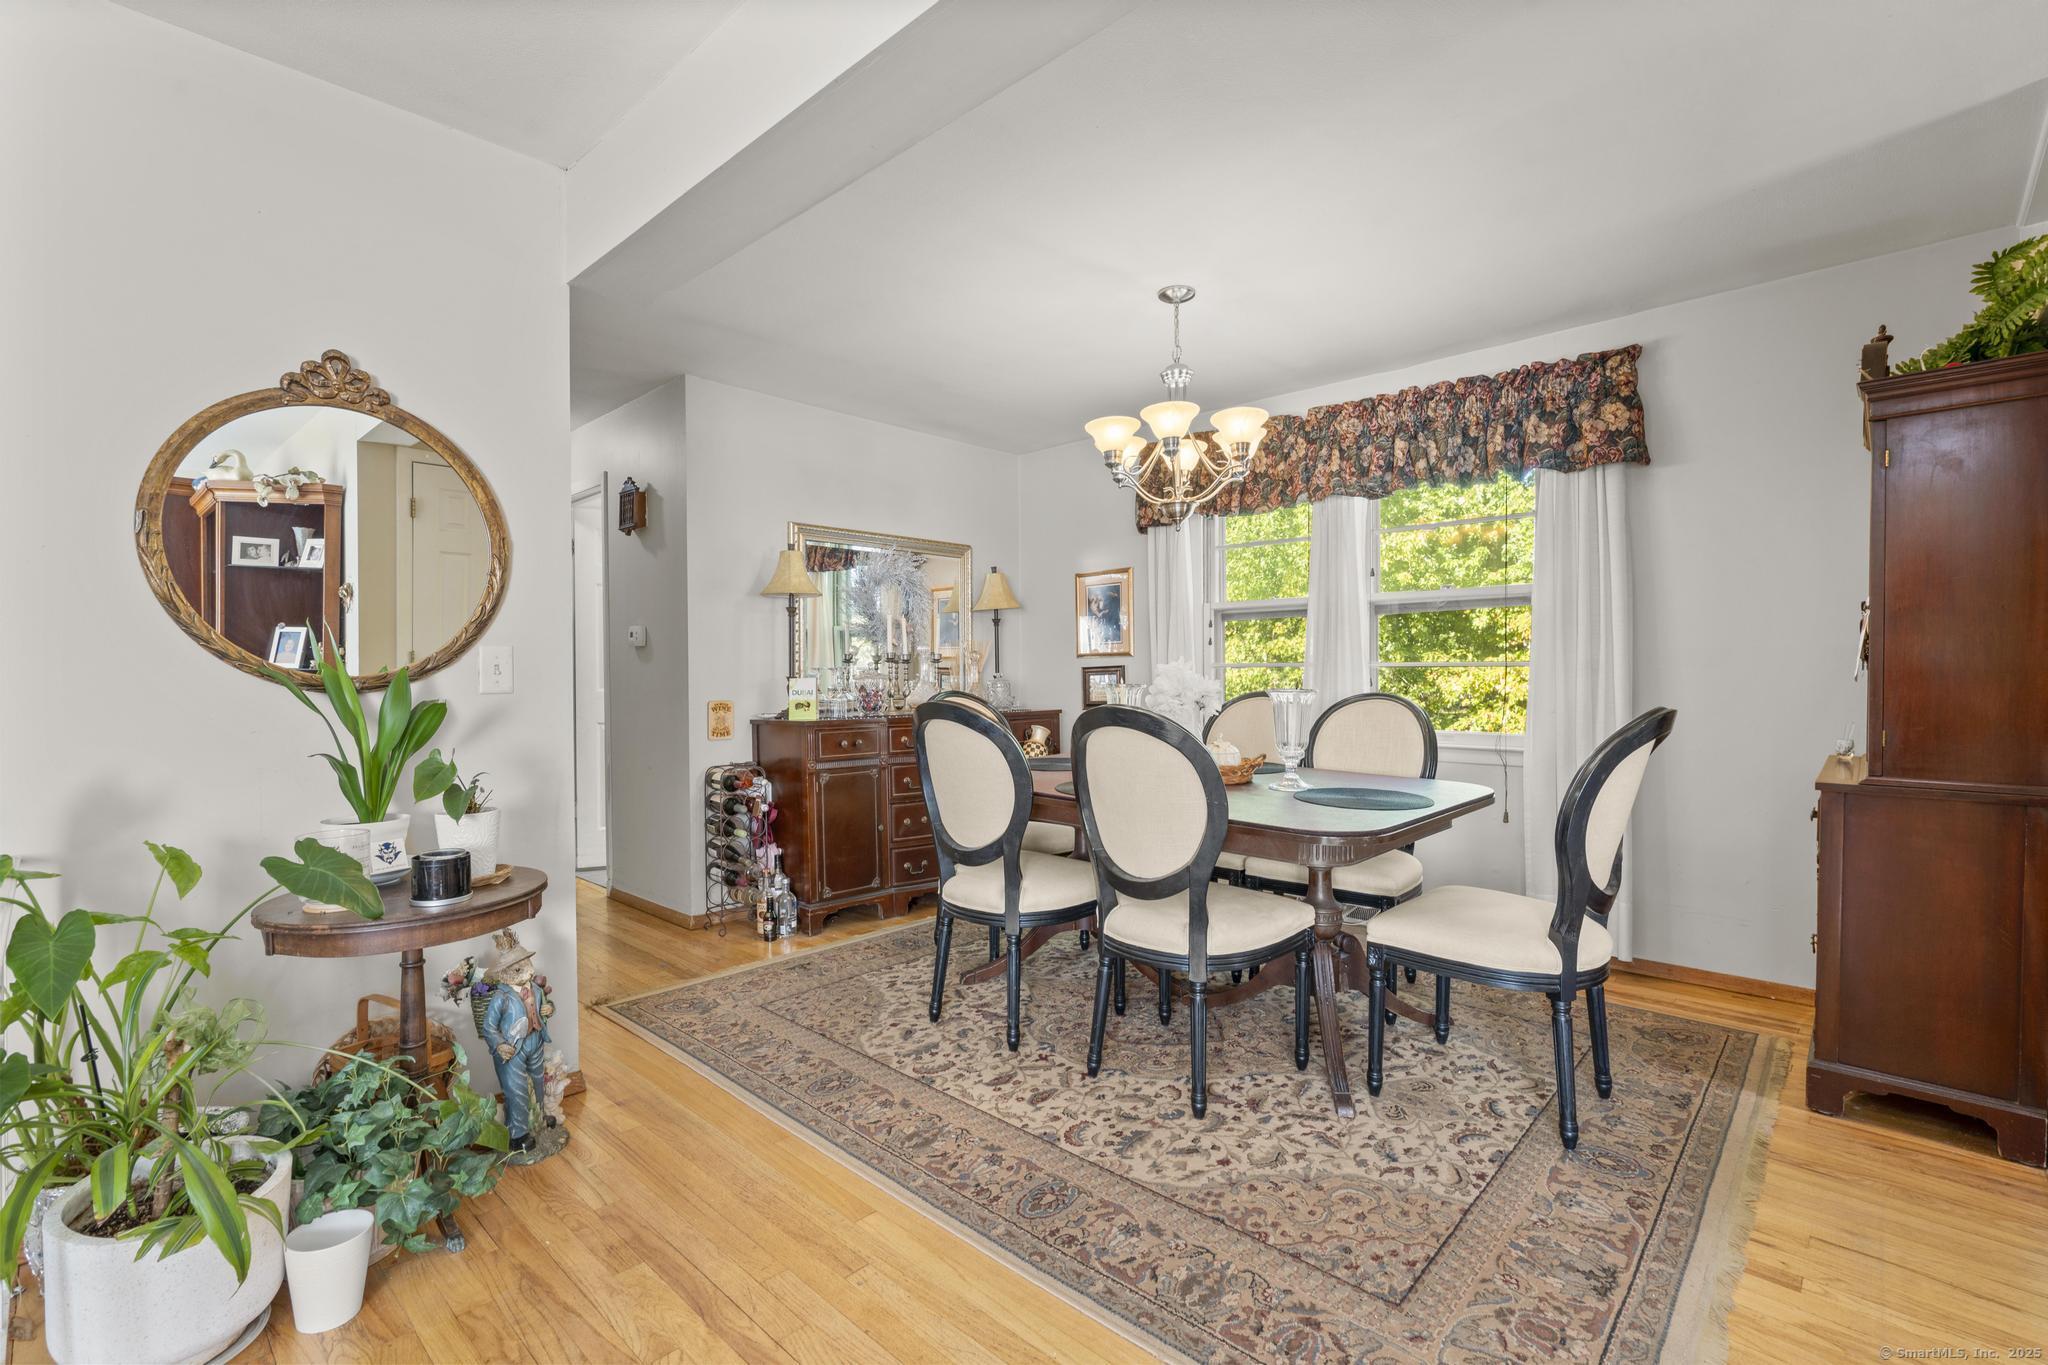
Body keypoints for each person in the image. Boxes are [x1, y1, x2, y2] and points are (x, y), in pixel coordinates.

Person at [478, 929, 556, 1151]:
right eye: (520, 968)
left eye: (527, 964)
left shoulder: (535, 990)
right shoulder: (501, 997)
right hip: (512, 1049)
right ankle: (518, 1133)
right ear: (507, 973)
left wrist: (549, 1009)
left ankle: (539, 1118)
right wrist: (500, 1044)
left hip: (535, 1040)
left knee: (538, 1080)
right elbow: (489, 1026)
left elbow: (543, 1008)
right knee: (516, 1089)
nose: (527, 970)